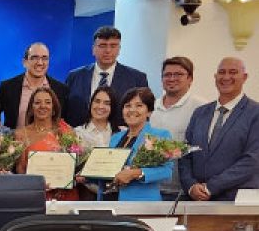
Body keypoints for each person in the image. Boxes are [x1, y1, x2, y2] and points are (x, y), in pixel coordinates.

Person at [180, 57, 259, 201]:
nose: (226, 77)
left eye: (233, 72)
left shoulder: (255, 113)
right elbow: (185, 153)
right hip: (196, 201)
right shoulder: (200, 113)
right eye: (222, 72)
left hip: (236, 201)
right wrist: (191, 186)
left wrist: (210, 187)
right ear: (215, 77)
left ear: (244, 77)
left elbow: (252, 160)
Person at [65, 26, 148, 128]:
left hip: (121, 141)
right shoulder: (74, 77)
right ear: (93, 49)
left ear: (119, 49)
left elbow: (144, 116)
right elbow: (66, 113)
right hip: (79, 139)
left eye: (113, 46)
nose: (108, 50)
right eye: (102, 45)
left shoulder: (137, 79)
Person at [150, 56, 207, 199]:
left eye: (178, 74)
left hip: (184, 189)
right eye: (167, 75)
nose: (172, 78)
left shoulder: (201, 107)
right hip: (151, 186)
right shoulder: (151, 106)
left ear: (190, 79)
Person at [107, 88, 172, 202]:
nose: (132, 110)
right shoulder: (115, 138)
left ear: (149, 111)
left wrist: (136, 173)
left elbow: (167, 171)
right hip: (110, 200)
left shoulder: (159, 136)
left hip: (142, 203)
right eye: (127, 106)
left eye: (139, 105)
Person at [15, 87, 78, 201]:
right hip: (35, 195)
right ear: (31, 108)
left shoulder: (66, 131)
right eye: (37, 102)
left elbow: (75, 163)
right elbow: (20, 168)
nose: (42, 106)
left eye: (48, 102)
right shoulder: (20, 134)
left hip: (64, 195)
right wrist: (35, 186)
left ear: (54, 108)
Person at [0, 42, 69, 129]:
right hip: (15, 141)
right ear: (25, 62)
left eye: (44, 58)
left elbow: (63, 123)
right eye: (35, 58)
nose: (40, 63)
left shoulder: (61, 89)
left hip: (50, 142)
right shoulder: (7, 87)